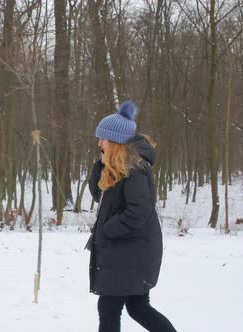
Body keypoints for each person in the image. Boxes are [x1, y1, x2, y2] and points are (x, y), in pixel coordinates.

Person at [86, 101, 177, 332]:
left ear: (115, 141)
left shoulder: (134, 168)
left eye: (103, 139)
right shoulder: (118, 166)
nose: (99, 143)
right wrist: (100, 166)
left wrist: (108, 229)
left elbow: (139, 210)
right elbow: (101, 196)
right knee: (136, 307)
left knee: (112, 307)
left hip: (132, 252)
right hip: (127, 252)